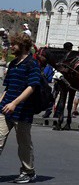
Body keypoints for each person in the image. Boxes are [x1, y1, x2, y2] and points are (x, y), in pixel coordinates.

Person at [0, 33, 41, 183]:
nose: (11, 47)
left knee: (24, 144)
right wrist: (2, 100)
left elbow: (32, 86)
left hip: (23, 111)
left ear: (22, 46)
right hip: (5, 109)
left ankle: (28, 171)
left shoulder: (32, 64)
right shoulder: (13, 64)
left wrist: (15, 103)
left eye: (14, 45)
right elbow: (8, 87)